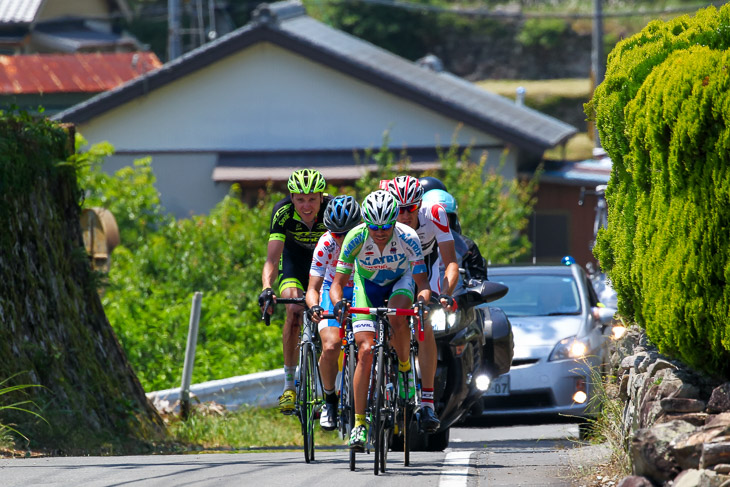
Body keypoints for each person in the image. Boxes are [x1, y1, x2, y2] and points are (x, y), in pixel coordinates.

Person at [330, 190, 432, 451]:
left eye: (386, 226)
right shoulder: (355, 237)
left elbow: (422, 284)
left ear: (394, 221)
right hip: (368, 286)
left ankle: (406, 371)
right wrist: (340, 302)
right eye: (374, 227)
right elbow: (337, 284)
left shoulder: (408, 237)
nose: (380, 232)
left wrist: (421, 303)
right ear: (366, 223)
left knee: (398, 320)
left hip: (400, 282)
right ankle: (359, 425)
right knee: (365, 351)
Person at [386, 175, 459, 433]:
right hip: (394, 266)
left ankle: (427, 402)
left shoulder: (435, 213)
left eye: (410, 208)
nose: (405, 215)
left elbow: (450, 262)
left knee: (423, 321)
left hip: (426, 267)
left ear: (420, 205)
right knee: (388, 318)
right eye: (399, 210)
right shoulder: (383, 214)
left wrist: (446, 293)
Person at [259, 169, 331, 415]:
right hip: (294, 263)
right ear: (291, 198)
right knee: (293, 310)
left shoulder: (332, 210)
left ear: (322, 197)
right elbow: (272, 258)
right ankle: (289, 386)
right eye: (300, 199)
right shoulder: (283, 212)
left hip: (325, 266)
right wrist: (267, 288)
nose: (306, 205)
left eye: (312, 198)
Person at [305, 195, 361, 431]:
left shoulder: (368, 240)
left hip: (361, 287)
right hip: (331, 289)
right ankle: (329, 399)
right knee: (330, 346)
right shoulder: (326, 244)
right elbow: (313, 289)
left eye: (348, 232)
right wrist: (315, 306)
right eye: (338, 234)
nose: (343, 238)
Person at [421, 188, 488, 281]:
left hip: (454, 294)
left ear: (452, 219)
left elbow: (478, 280)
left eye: (444, 216)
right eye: (435, 216)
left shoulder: (466, 246)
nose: (440, 221)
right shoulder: (409, 241)